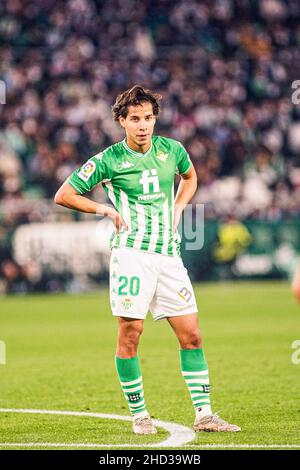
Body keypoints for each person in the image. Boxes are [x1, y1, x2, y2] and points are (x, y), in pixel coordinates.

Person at [54, 85, 241, 434]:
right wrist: (103, 209)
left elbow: (190, 177)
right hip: (132, 255)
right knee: (131, 334)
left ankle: (204, 415)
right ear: (122, 121)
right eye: (135, 118)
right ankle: (140, 415)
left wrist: (179, 205)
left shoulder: (173, 150)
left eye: (149, 118)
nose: (143, 125)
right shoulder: (108, 160)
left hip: (169, 256)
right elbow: (64, 194)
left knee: (192, 335)